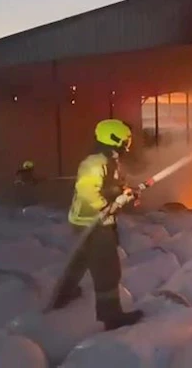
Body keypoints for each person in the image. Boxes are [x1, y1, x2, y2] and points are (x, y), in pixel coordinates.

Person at [50, 119, 150, 330]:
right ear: (114, 138)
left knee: (79, 260)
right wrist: (105, 206)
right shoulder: (95, 163)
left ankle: (61, 296)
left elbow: (111, 186)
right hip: (93, 224)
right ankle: (111, 317)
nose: (128, 144)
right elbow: (87, 189)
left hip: (89, 222)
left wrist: (126, 192)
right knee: (108, 270)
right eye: (126, 139)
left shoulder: (110, 161)